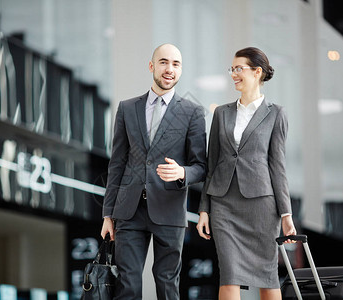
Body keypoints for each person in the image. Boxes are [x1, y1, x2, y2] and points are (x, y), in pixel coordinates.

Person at [101, 43, 206, 300]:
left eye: (176, 64)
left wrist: (182, 172)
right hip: (129, 210)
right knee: (127, 284)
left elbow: (201, 167)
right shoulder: (127, 108)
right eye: (163, 62)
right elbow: (117, 162)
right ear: (152, 66)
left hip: (169, 209)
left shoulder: (193, 112)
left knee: (167, 284)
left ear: (180, 70)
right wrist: (107, 214)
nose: (169, 69)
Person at [196, 47, 297, 300]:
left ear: (257, 72)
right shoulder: (222, 112)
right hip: (224, 205)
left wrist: (286, 214)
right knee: (229, 274)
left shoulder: (276, 114)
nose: (234, 74)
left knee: (268, 277)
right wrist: (203, 210)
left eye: (239, 68)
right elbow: (213, 163)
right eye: (232, 69)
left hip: (261, 207)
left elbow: (278, 165)